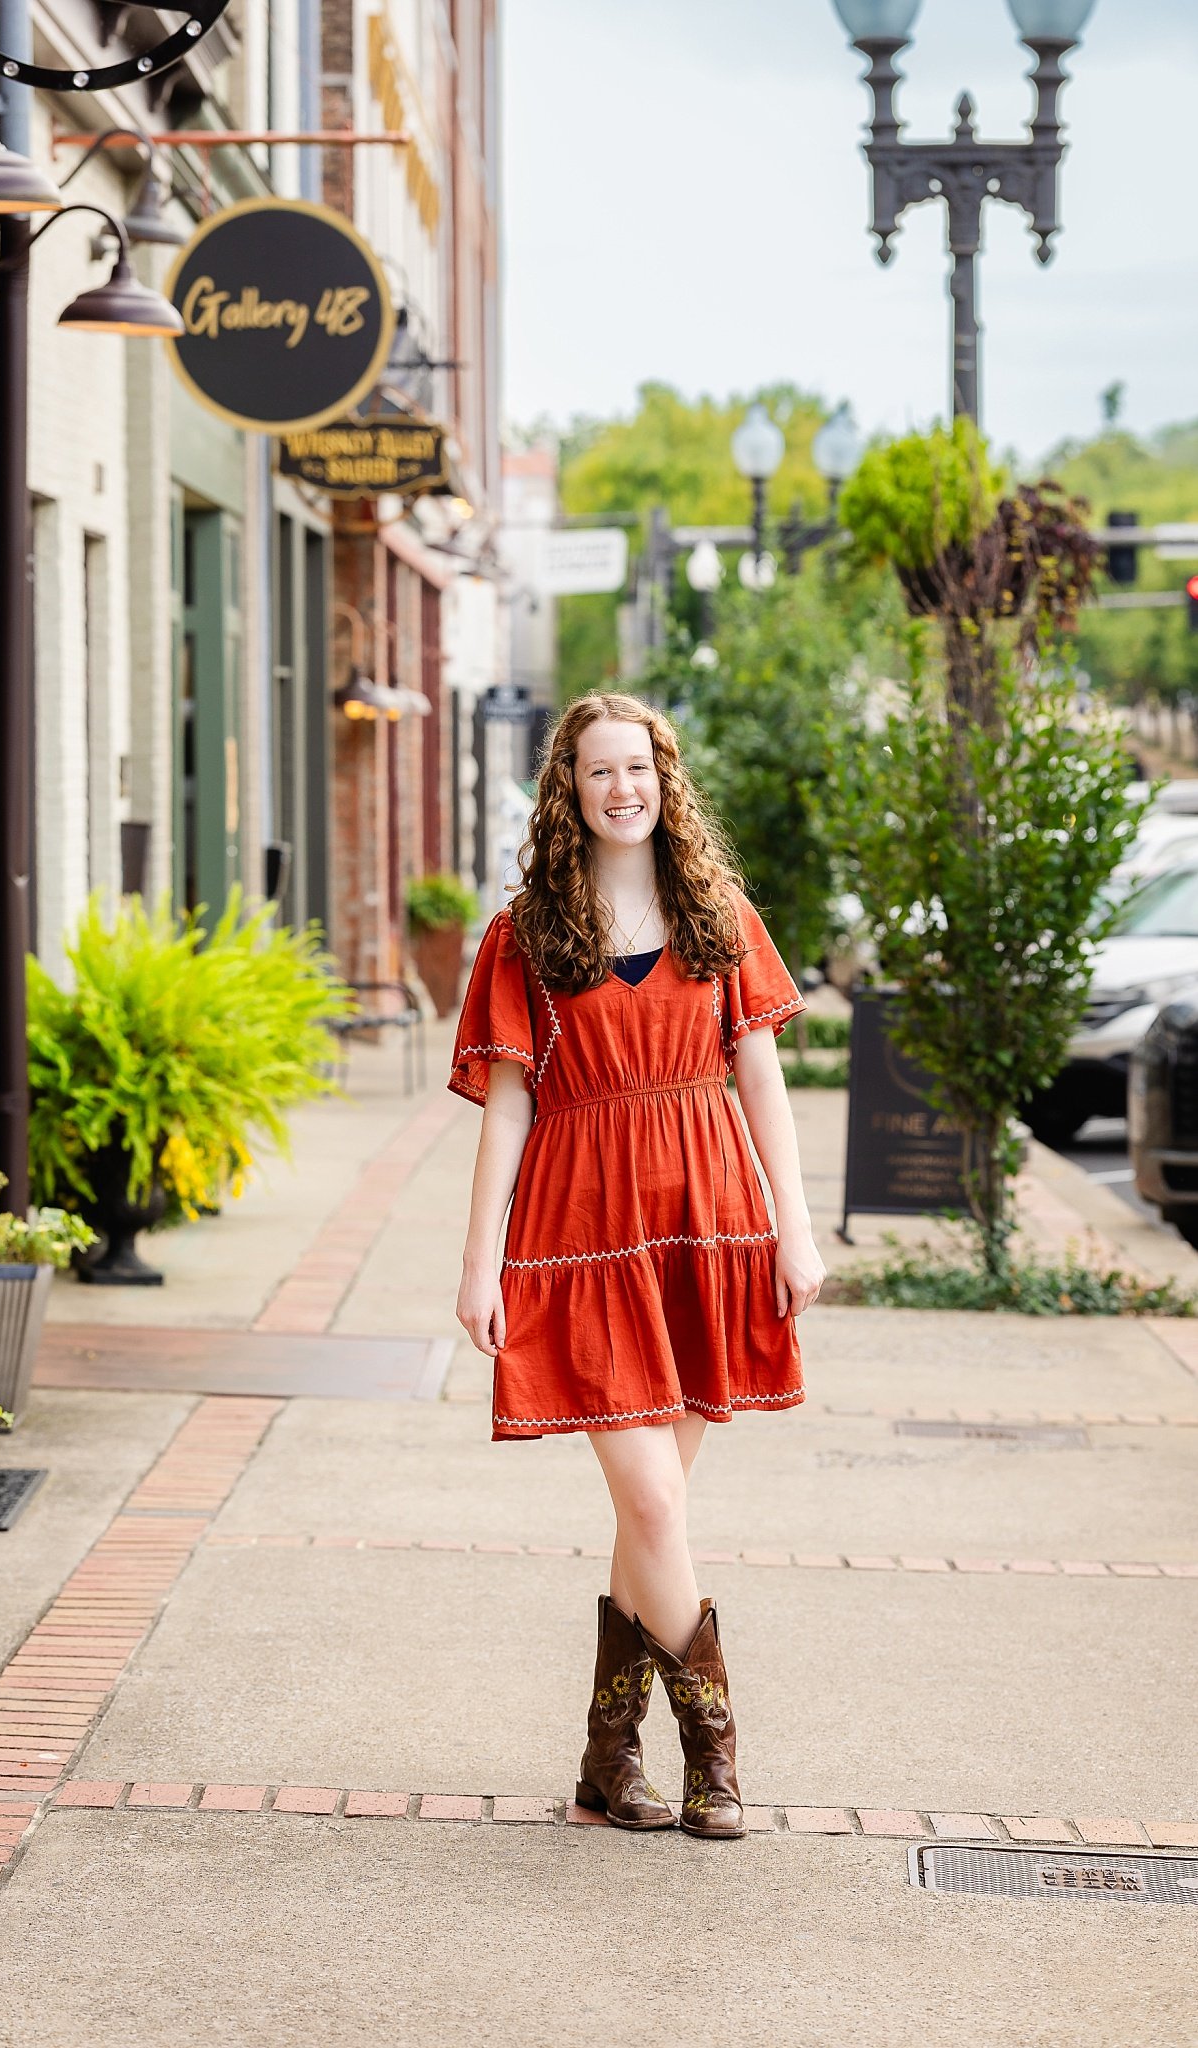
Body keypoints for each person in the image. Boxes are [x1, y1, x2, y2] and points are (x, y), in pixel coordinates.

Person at [451, 690, 826, 1840]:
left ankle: (607, 1758)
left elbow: (763, 1080)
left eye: (640, 770)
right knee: (655, 1496)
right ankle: (716, 1751)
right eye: (599, 771)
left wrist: (796, 1226)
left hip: (708, 1226)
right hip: (582, 1238)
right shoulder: (525, 933)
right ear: (568, 790)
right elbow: (507, 1111)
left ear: (666, 784)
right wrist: (480, 1264)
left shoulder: (717, 913)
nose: (623, 789)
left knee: (646, 1515)